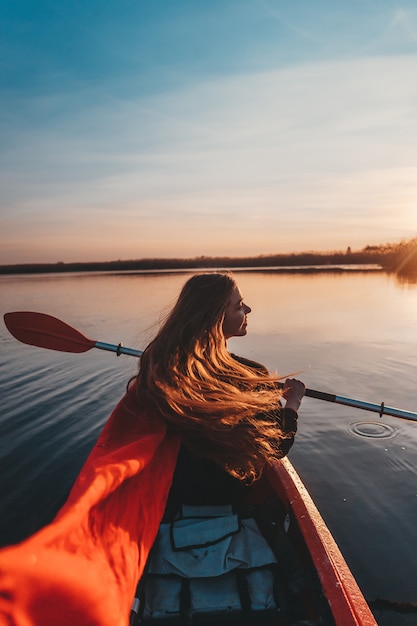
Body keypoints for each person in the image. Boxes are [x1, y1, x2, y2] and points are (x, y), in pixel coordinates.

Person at [128, 271, 305, 520]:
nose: (249, 309)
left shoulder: (161, 369)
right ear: (215, 318)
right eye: (239, 306)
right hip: (226, 494)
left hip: (177, 492)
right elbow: (277, 447)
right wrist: (293, 403)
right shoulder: (252, 375)